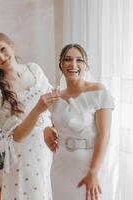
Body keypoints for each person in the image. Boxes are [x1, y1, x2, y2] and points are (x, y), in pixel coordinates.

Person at [0, 32, 58, 200]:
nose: (1, 56)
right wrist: (37, 109)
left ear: (11, 45)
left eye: (2, 49)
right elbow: (17, 136)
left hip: (49, 144)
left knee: (47, 191)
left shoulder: (34, 69)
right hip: (25, 153)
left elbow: (54, 103)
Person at [44, 43, 115, 200]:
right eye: (67, 59)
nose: (73, 65)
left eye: (79, 60)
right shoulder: (56, 97)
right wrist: (48, 129)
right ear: (61, 65)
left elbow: (104, 135)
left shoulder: (98, 91)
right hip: (61, 167)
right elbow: (60, 126)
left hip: (90, 166)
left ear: (86, 65)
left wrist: (93, 172)